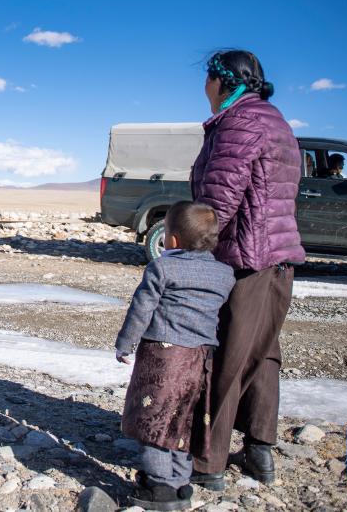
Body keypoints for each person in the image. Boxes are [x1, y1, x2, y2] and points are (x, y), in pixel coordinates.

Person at [189, 49, 305, 491]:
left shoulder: (239, 122)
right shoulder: (276, 121)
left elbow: (219, 199)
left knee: (227, 358)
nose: (204, 88)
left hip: (243, 262)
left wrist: (194, 254)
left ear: (222, 81)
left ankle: (208, 463)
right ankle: (259, 451)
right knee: (263, 353)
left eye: (207, 78)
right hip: (278, 261)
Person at [115, 201, 236, 511]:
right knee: (183, 419)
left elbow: (141, 309)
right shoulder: (224, 274)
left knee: (154, 419)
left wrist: (125, 343)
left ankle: (158, 486)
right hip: (200, 360)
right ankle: (181, 483)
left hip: (163, 357)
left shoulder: (163, 268)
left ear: (173, 239)